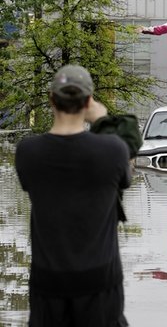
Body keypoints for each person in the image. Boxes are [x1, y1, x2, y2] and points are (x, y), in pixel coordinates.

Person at [15, 65, 131, 327]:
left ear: (51, 99)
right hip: (100, 282)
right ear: (89, 101)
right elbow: (124, 179)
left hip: (48, 283)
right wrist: (102, 120)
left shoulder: (28, 152)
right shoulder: (113, 149)